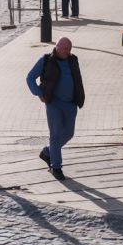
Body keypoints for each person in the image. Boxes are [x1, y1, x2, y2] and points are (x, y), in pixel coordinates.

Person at [25, 36, 86, 181]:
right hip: (53, 102)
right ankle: (56, 166)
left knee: (69, 133)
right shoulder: (46, 60)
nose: (67, 51)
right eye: (65, 48)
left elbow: (77, 79)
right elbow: (30, 77)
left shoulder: (73, 60)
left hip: (71, 103)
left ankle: (47, 152)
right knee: (56, 133)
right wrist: (39, 94)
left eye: (69, 49)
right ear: (57, 47)